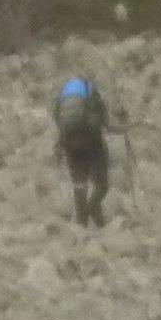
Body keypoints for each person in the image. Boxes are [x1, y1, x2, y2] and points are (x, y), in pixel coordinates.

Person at [54, 75, 115, 227]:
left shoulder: (63, 96)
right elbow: (109, 126)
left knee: (80, 185)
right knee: (102, 185)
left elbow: (57, 120)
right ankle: (94, 212)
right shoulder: (93, 93)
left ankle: (82, 228)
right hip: (91, 141)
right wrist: (123, 122)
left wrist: (61, 148)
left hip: (69, 142)